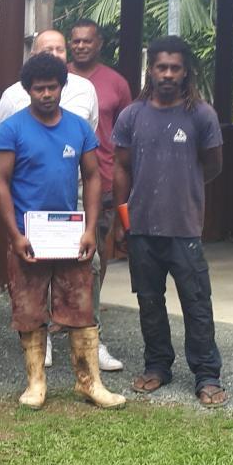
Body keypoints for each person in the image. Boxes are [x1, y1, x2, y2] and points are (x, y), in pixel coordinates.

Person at [0, 53, 124, 411]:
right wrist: (14, 235)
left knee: (81, 309)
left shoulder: (79, 128)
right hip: (28, 237)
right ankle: (36, 383)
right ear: (27, 90)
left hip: (70, 235)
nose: (46, 94)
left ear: (63, 87)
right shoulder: (11, 129)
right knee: (30, 310)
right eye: (39, 89)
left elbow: (94, 176)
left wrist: (90, 229)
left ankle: (89, 382)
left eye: (52, 87)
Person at [111, 35, 227, 407]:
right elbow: (121, 169)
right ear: (150, 70)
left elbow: (213, 165)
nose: (168, 74)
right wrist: (121, 218)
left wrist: (184, 189)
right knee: (149, 301)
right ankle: (157, 365)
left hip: (184, 229)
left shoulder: (201, 115)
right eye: (161, 67)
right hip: (142, 227)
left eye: (175, 67)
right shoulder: (133, 115)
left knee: (196, 302)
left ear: (185, 71)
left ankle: (207, 374)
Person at [68, 18, 134, 335]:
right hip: (62, 181)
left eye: (87, 41)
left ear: (99, 43)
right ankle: (57, 318)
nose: (80, 46)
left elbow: (127, 133)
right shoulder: (57, 77)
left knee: (96, 253)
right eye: (76, 40)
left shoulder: (116, 83)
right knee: (57, 250)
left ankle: (89, 318)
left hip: (103, 177)